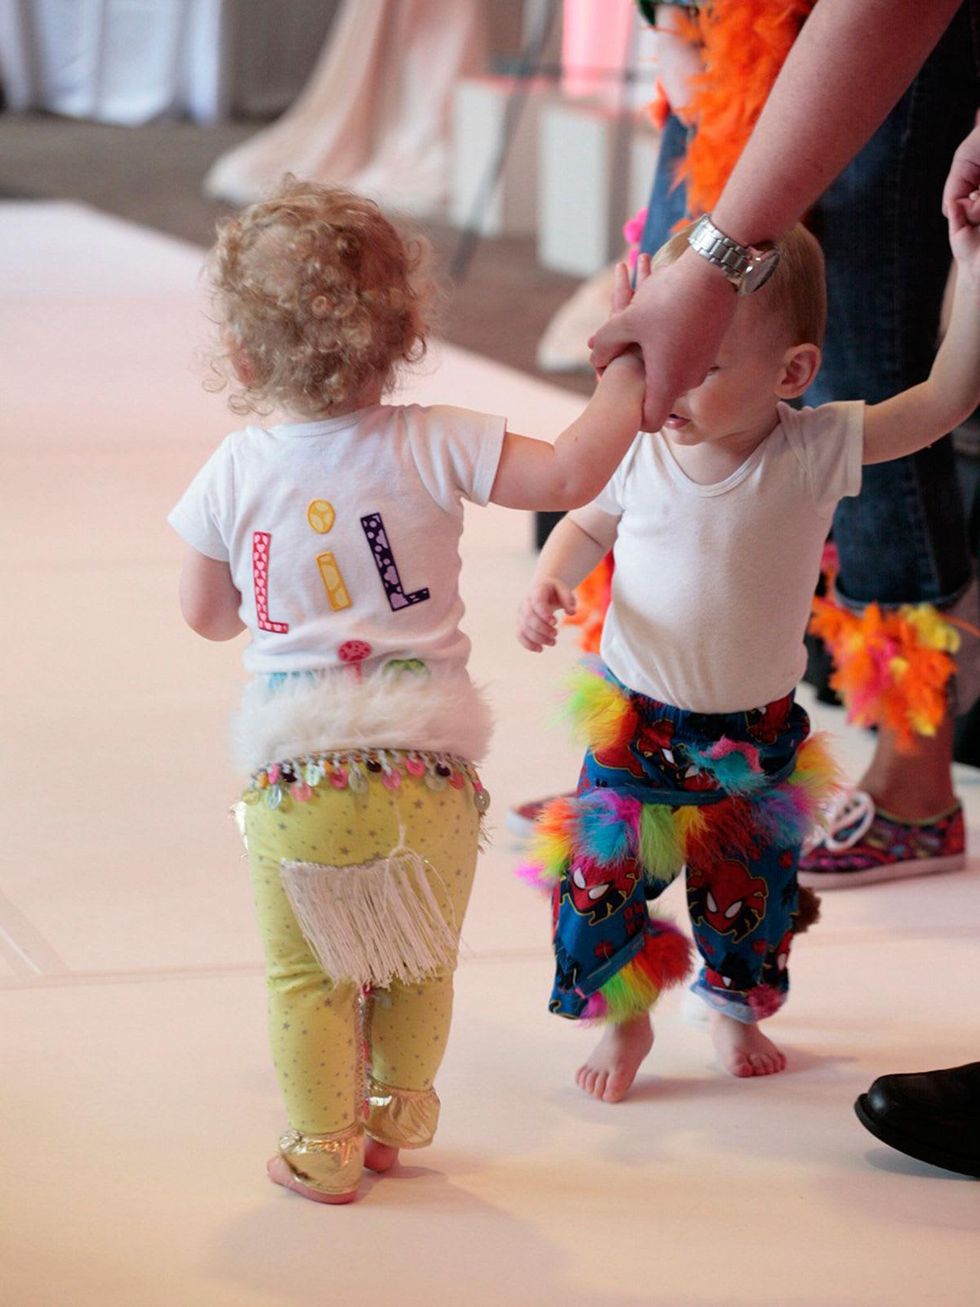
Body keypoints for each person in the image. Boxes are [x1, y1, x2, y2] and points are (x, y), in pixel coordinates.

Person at [168, 179, 646, 1204]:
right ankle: (400, 1113)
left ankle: (323, 1146)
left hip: (299, 773)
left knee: (311, 975)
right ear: (402, 335)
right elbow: (568, 471)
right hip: (430, 766)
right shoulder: (437, 437)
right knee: (418, 954)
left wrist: (276, 584)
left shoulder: (234, 469)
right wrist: (627, 379)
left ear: (243, 357)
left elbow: (206, 615)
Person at [517, 187, 980, 1100]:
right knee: (598, 884)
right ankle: (626, 1016)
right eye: (661, 356)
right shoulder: (642, 444)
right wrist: (552, 577)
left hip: (753, 736)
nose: (670, 386)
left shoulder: (809, 450)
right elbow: (585, 522)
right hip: (635, 724)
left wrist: (972, 269)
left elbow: (941, 402)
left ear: (791, 370)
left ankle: (731, 1003)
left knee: (750, 897)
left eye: (706, 363)